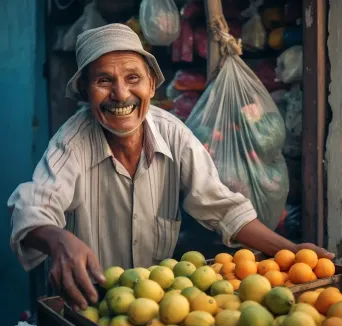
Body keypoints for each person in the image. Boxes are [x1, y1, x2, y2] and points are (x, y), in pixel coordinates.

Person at [8, 24, 334, 311]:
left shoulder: (173, 132)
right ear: (85, 92)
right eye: (104, 80)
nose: (120, 94)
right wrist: (57, 239)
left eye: (132, 78)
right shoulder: (72, 143)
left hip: (157, 311)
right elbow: (33, 208)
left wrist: (290, 250)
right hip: (89, 307)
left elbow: (222, 206)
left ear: (151, 85)